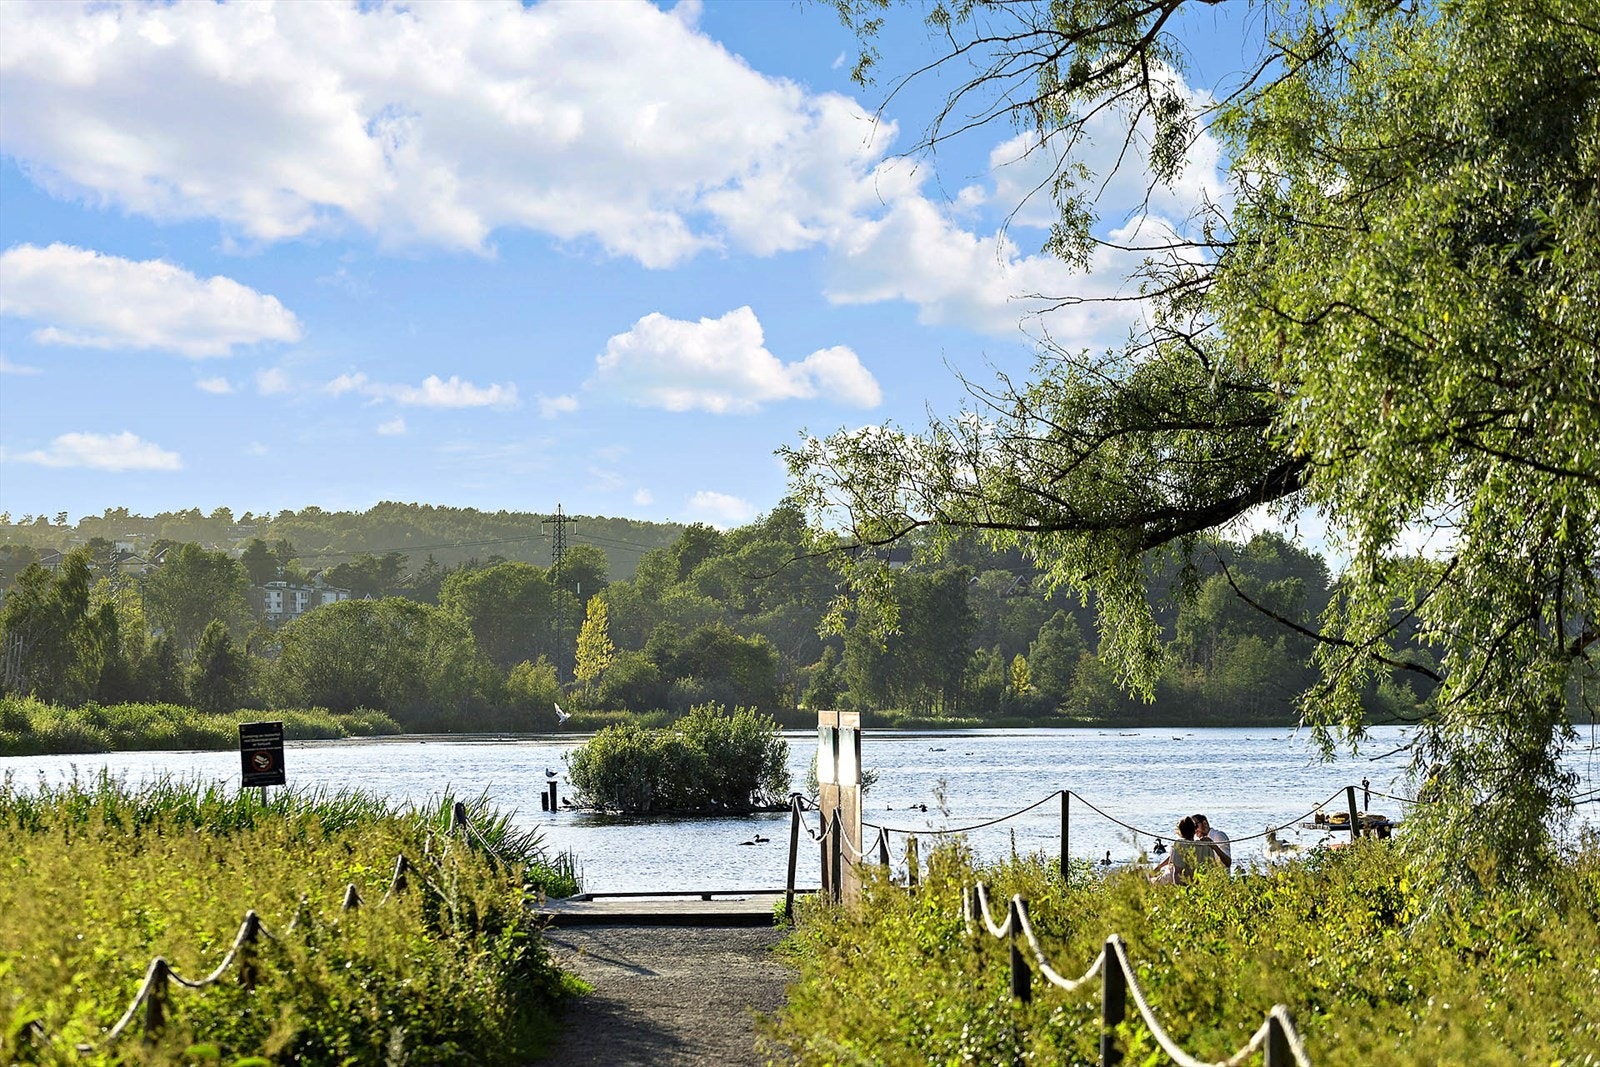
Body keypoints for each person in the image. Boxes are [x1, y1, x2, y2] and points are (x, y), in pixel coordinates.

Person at [1150, 816, 1202, 885]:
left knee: (1147, 880)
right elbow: (1174, 857)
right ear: (1194, 830)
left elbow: (1177, 873)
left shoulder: (1180, 845)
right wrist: (1159, 867)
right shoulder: (1204, 845)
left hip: (1171, 879)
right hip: (1196, 880)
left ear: (1180, 831)